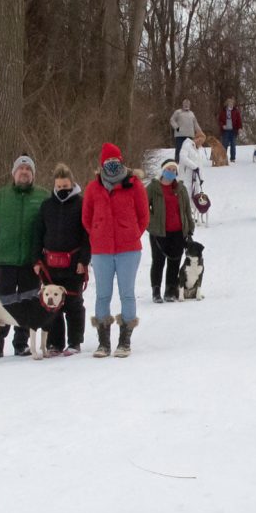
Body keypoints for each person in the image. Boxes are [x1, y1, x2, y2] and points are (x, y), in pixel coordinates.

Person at [82, 143, 149, 358]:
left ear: (121, 161)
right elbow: (86, 217)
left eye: (115, 161)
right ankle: (103, 343)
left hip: (128, 249)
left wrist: (132, 233)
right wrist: (96, 233)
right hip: (101, 250)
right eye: (107, 162)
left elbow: (143, 215)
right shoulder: (93, 187)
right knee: (102, 294)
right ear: (101, 164)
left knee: (127, 293)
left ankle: (124, 340)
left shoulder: (134, 184)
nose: (111, 165)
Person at [0, 154, 49, 358]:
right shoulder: (0, 197)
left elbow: (50, 225)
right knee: (3, 304)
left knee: (28, 304)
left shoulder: (43, 196)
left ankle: (21, 344)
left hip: (31, 262)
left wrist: (44, 252)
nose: (24, 172)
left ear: (33, 174)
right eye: (21, 169)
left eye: (28, 170)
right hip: (5, 261)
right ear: (14, 173)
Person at [31, 163, 90, 355]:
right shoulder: (46, 206)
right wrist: (36, 261)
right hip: (50, 265)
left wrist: (84, 260)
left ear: (71, 184)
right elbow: (37, 234)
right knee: (51, 305)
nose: (62, 190)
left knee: (73, 305)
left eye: (65, 187)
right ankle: (55, 344)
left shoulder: (82, 204)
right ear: (54, 186)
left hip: (74, 265)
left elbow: (87, 235)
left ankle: (74, 342)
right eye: (59, 187)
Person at [146, 159, 195, 304]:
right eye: (169, 169)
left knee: (174, 261)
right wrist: (149, 224)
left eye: (174, 170)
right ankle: (156, 291)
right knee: (158, 261)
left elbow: (187, 210)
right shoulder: (153, 188)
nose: (172, 172)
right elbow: (142, 208)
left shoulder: (180, 189)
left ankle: (170, 289)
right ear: (163, 170)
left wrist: (190, 228)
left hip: (178, 232)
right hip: (159, 232)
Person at [170, 99, 203, 163]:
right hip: (180, 135)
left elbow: (195, 123)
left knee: (189, 149)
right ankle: (177, 161)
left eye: (188, 104)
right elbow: (172, 120)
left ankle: (188, 162)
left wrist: (199, 131)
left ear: (189, 105)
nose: (186, 105)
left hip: (190, 135)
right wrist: (176, 127)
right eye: (185, 104)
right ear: (183, 104)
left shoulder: (191, 113)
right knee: (179, 149)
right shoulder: (178, 112)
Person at [217, 96, 243, 163]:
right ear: (227, 104)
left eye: (232, 104)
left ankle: (233, 158)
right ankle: (223, 158)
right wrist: (222, 126)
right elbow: (219, 120)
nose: (231, 105)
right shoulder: (223, 111)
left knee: (233, 145)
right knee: (224, 145)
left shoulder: (236, 111)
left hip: (233, 130)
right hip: (225, 131)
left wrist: (240, 128)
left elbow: (239, 121)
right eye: (230, 104)